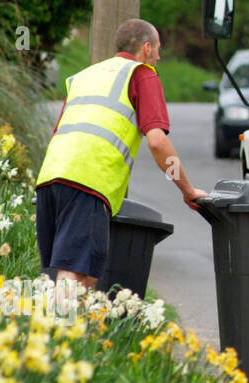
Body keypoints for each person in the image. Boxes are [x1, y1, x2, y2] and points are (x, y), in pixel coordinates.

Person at [36, 19, 208, 291]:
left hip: (49, 178)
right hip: (87, 182)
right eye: (158, 49)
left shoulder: (85, 75)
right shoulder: (142, 73)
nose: (160, 57)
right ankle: (61, 332)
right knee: (74, 274)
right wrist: (186, 189)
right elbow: (157, 142)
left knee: (79, 276)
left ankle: (70, 332)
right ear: (147, 48)